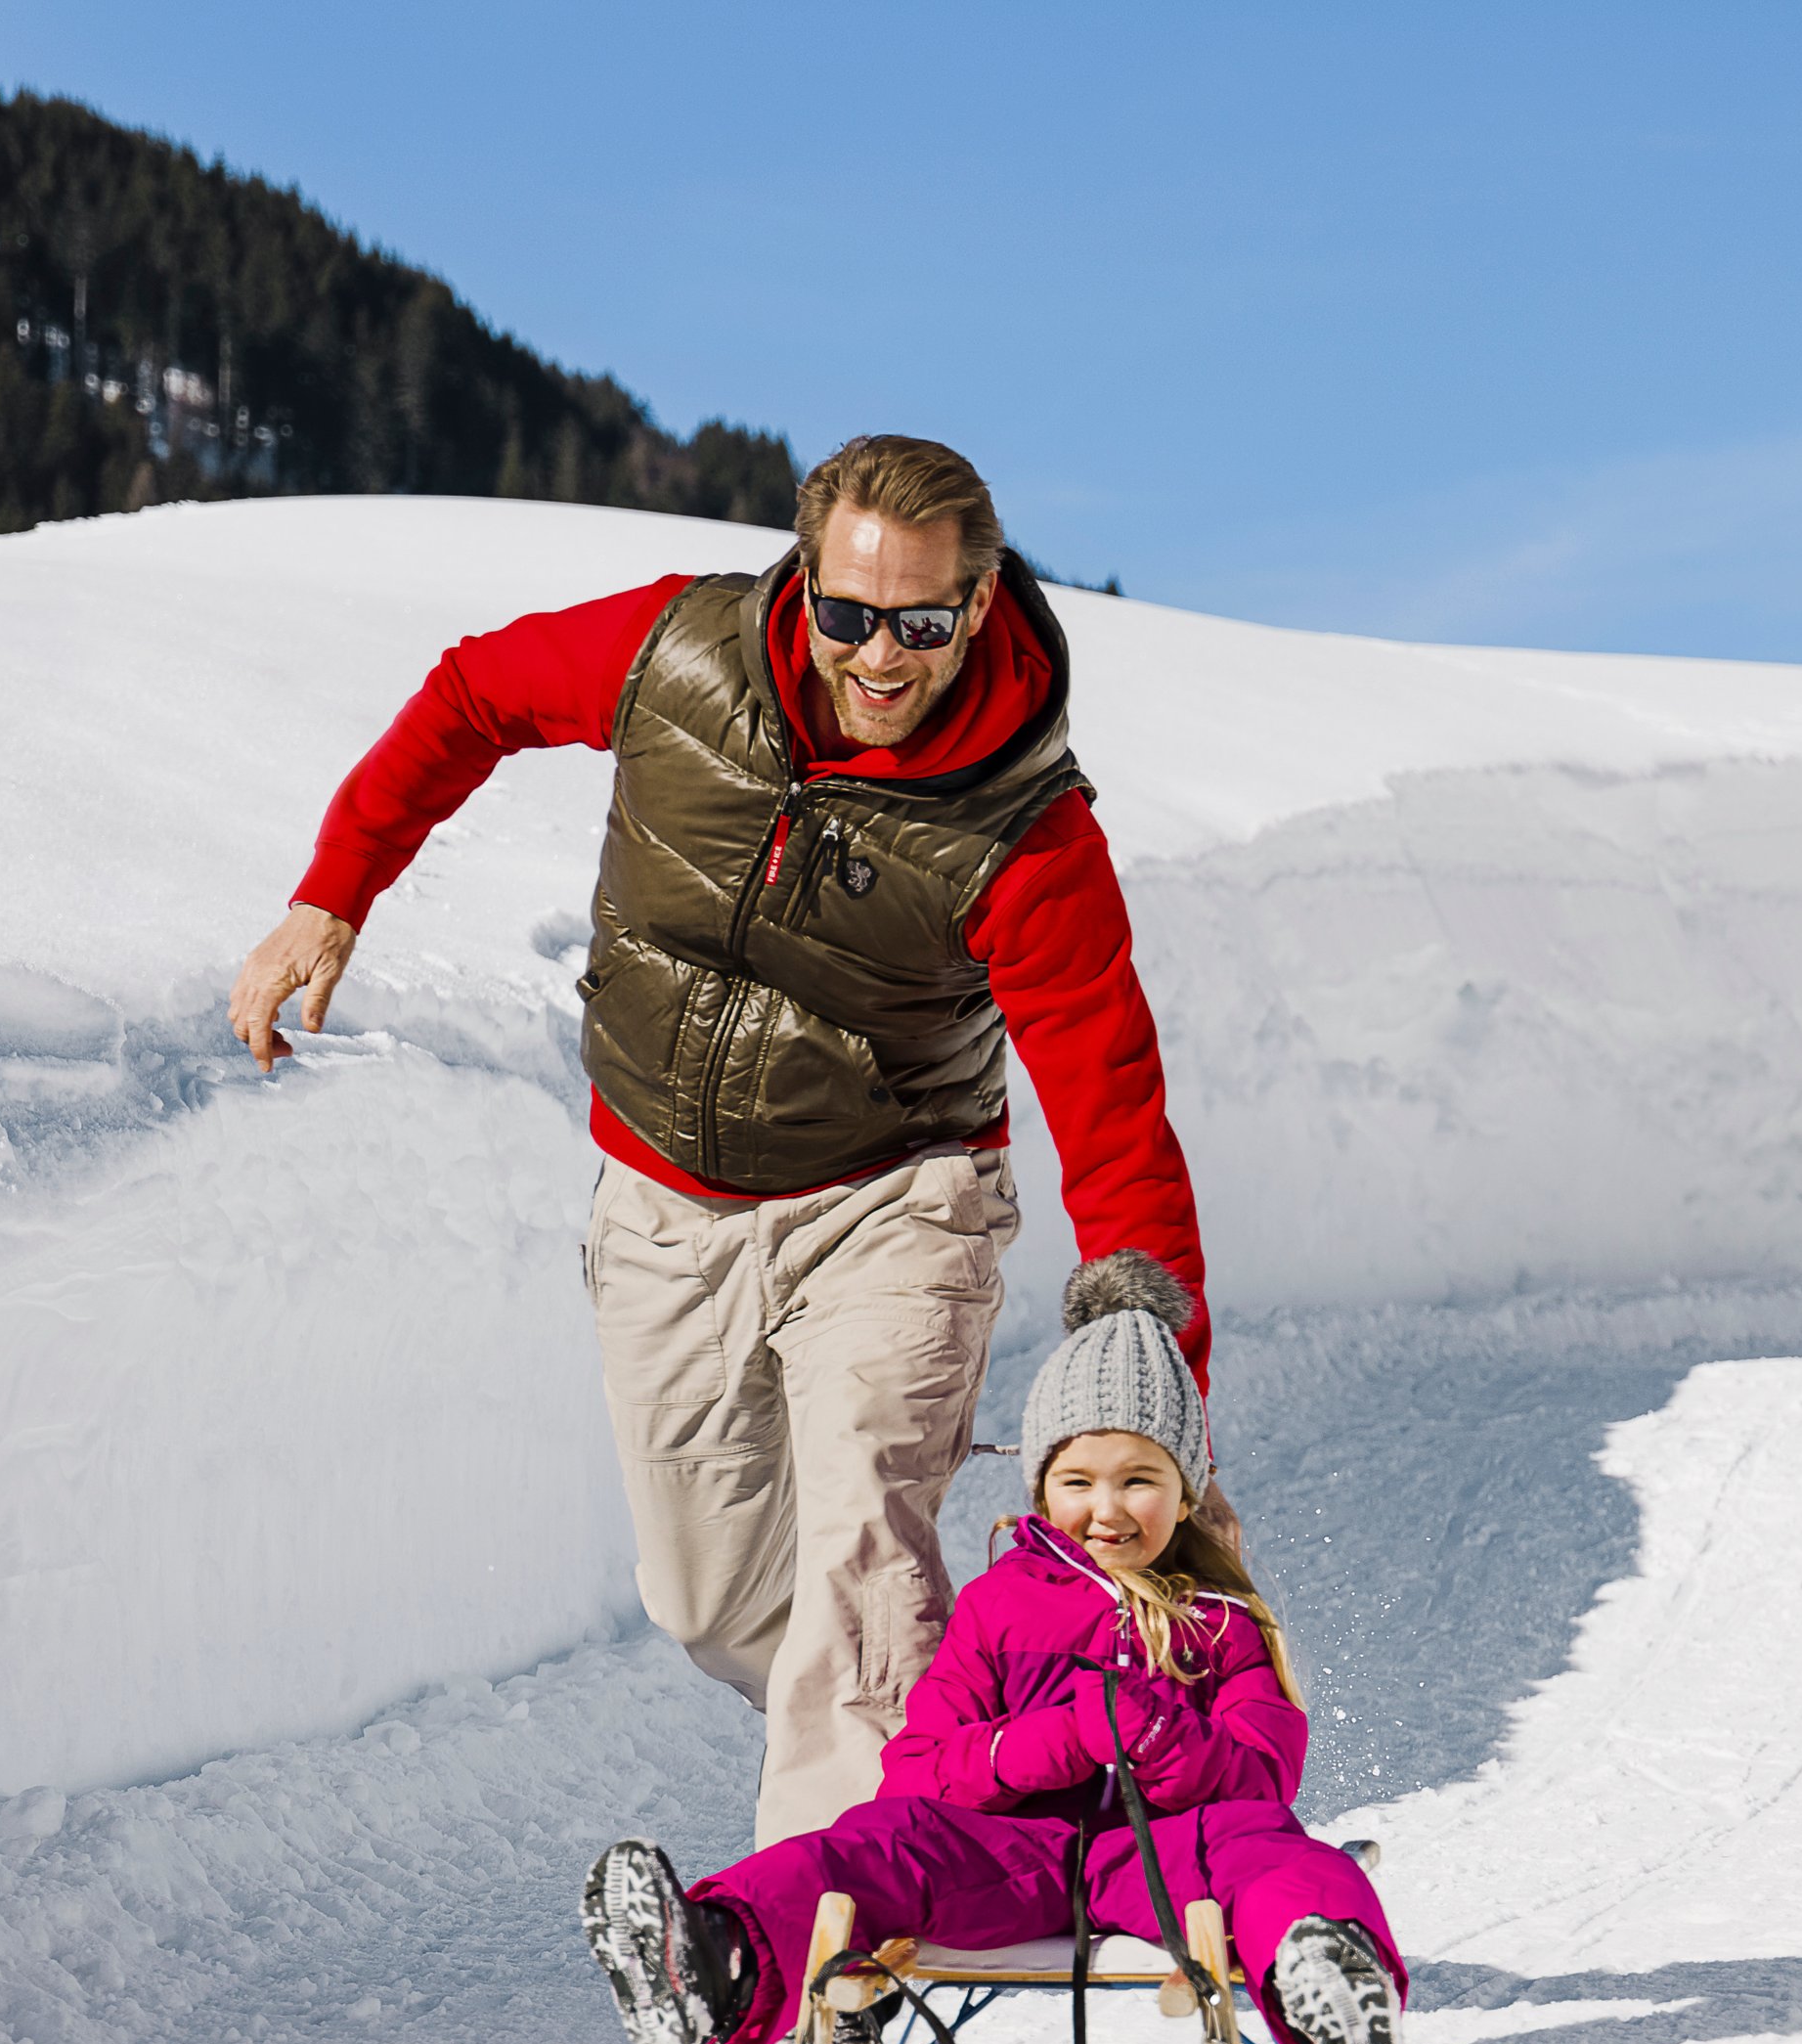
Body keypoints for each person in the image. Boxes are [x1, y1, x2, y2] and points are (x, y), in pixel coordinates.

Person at [232, 435, 1214, 1847]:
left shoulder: (1028, 837)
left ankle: (854, 1949)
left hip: (895, 1195)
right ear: (803, 579)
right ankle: (991, 1770)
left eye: (923, 622)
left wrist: (1161, 1379)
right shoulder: (676, 657)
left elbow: (1117, 1114)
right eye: (850, 614)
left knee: (864, 1552)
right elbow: (473, 694)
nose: (882, 655)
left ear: (983, 604)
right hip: (661, 1195)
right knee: (712, 1599)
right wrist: (336, 891)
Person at [575, 1261, 1409, 2044]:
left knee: (1269, 1851)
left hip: (1164, 1846)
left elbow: (1263, 1777)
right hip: (1010, 1851)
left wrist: (1161, 1740)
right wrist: (1048, 1743)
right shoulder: (999, 1603)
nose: (1107, 1507)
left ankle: (1330, 1982)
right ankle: (718, 1959)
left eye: (1140, 1479)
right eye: (1077, 1480)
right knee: (876, 1841)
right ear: (1041, 1486)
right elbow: (922, 1769)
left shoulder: (1223, 1621)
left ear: (1187, 1489)